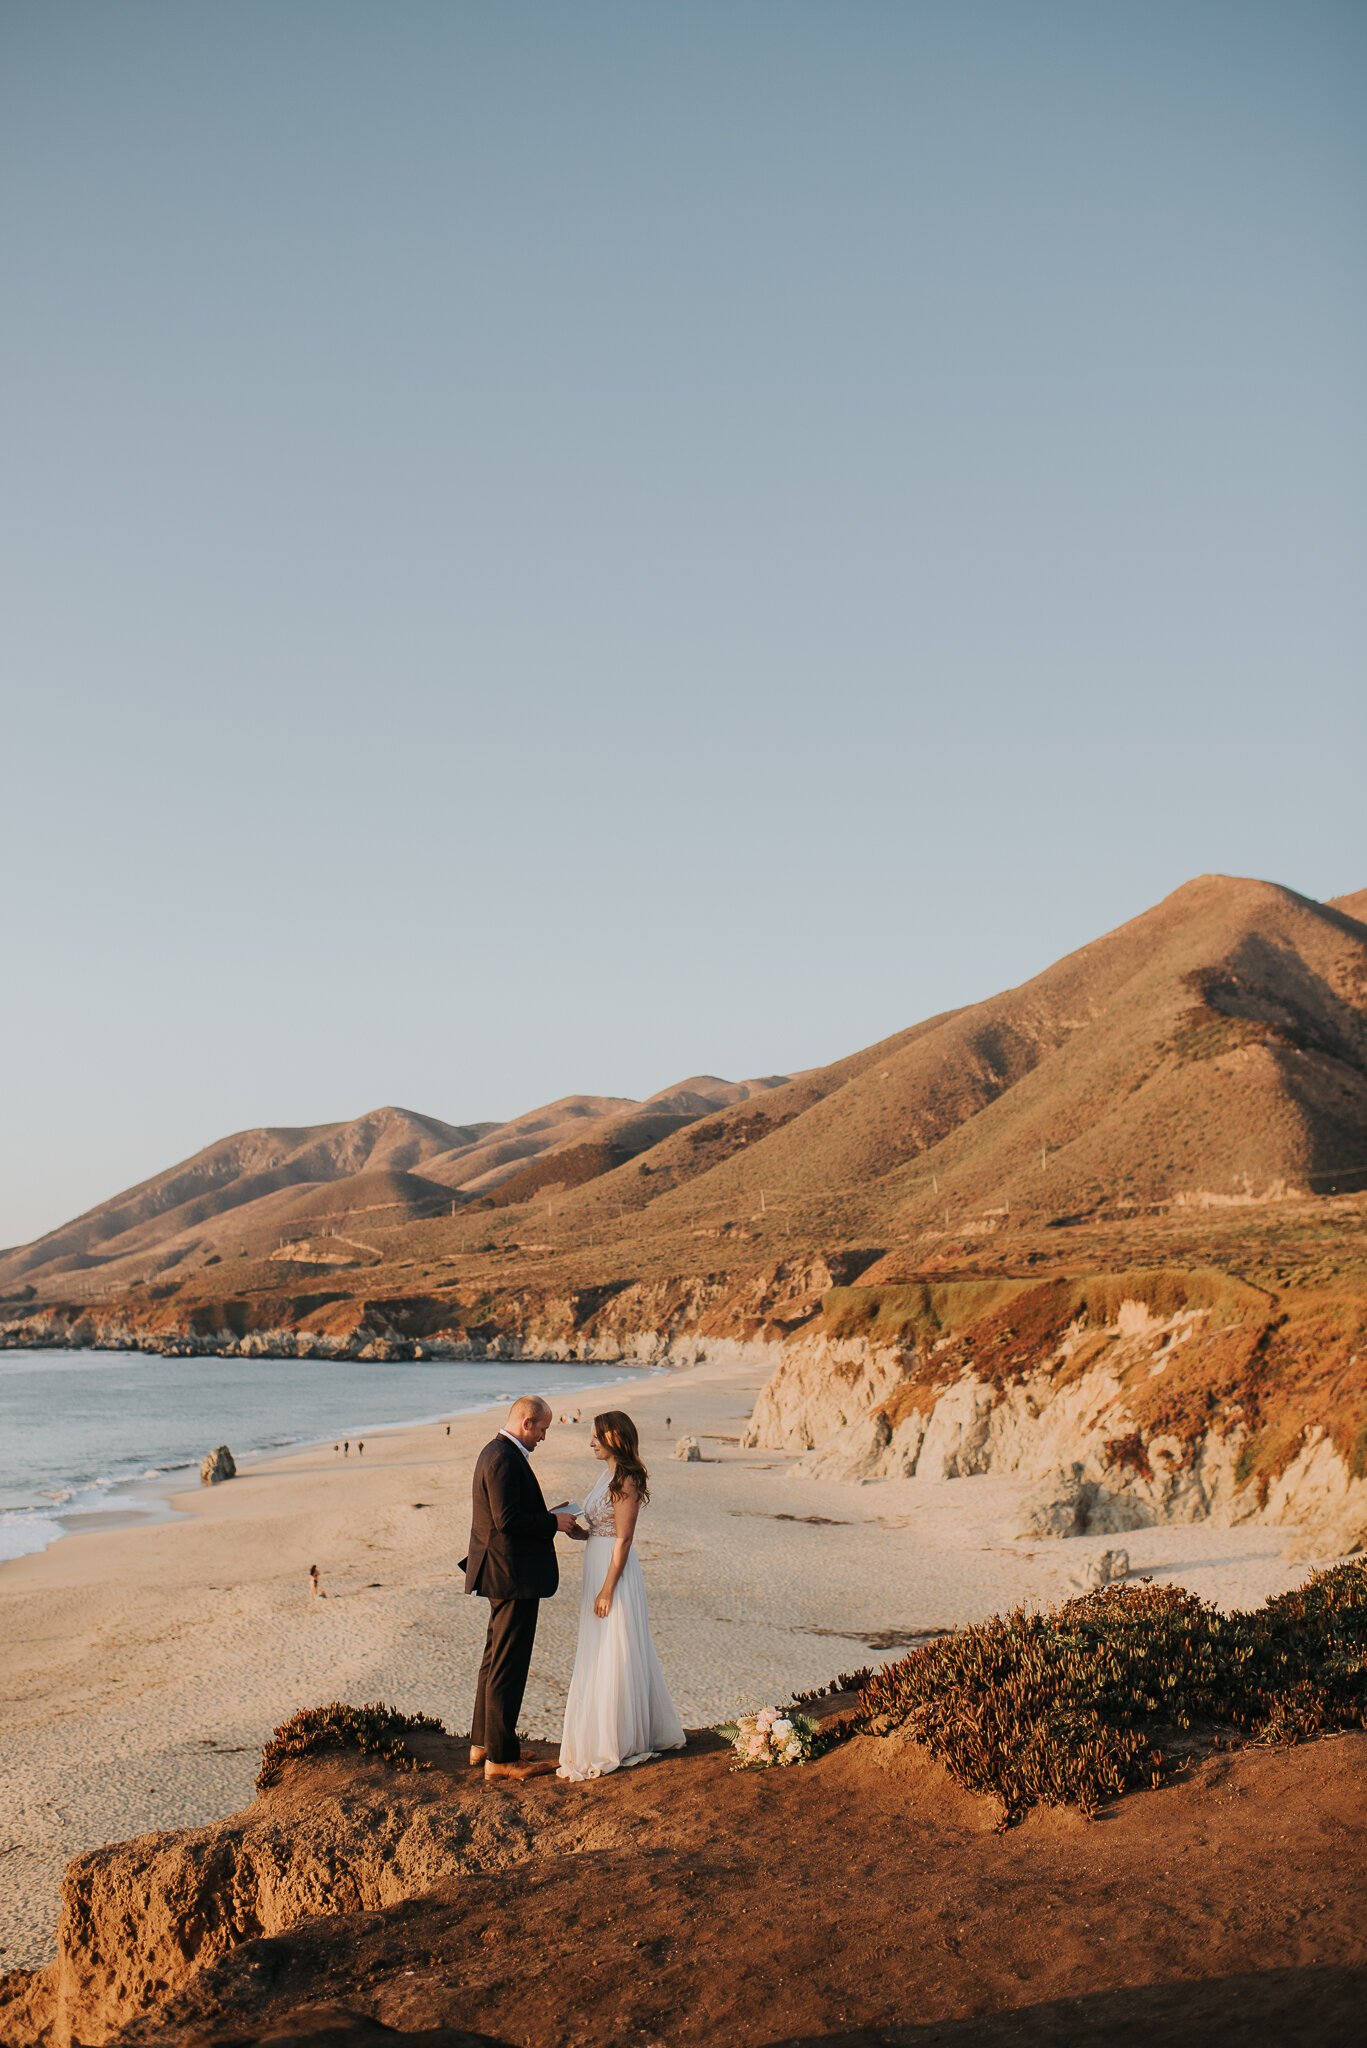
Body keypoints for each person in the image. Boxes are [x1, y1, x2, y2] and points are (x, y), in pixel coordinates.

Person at [556, 1410, 685, 1782]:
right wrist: (580, 1533)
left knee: (616, 1644)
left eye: (596, 1436)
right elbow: (603, 1527)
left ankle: (618, 1737)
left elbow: (624, 1538)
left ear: (614, 1437)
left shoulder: (627, 1477)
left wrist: (608, 1587)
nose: (590, 1442)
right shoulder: (605, 1474)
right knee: (599, 1645)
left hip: (615, 1570)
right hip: (597, 1557)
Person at [460, 1396, 583, 1783]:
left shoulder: (497, 1452)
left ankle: (484, 1743)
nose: (543, 1437)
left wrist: (547, 1516)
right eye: (542, 1429)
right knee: (506, 1666)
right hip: (511, 1574)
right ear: (526, 1422)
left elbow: (506, 1515)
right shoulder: (502, 1457)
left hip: (502, 1570)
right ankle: (501, 1758)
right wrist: (554, 1523)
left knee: (494, 1657)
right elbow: (508, 1519)